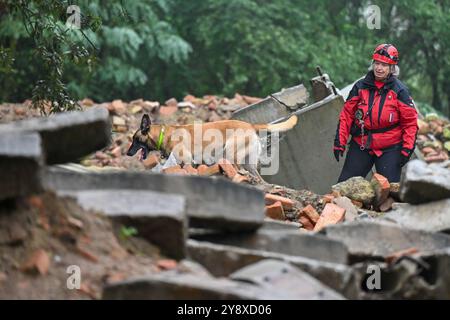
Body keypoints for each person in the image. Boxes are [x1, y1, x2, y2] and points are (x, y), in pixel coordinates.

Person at [333, 43, 418, 183]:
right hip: (361, 143)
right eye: (377, 63)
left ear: (392, 68)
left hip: (390, 148)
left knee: (389, 194)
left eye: (384, 65)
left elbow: (410, 123)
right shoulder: (360, 87)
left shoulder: (400, 91)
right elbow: (347, 115)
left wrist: (407, 148)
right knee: (343, 187)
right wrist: (339, 141)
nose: (379, 68)